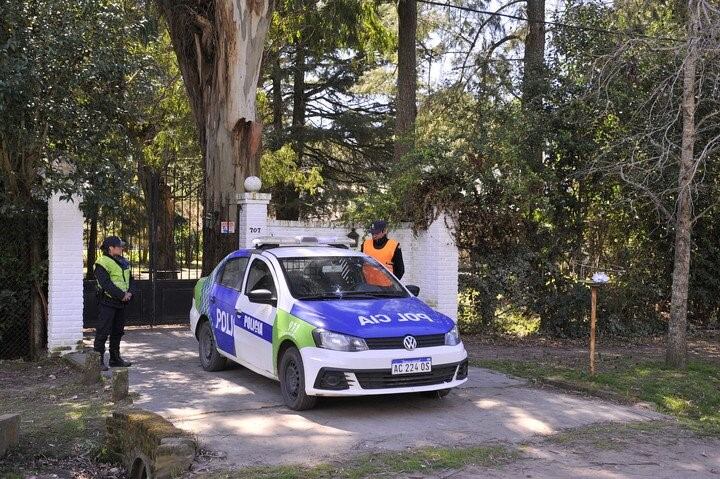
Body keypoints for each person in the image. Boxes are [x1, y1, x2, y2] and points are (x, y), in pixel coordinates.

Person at [94, 236, 133, 370]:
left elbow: (130, 279)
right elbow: (105, 283)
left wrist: (130, 293)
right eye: (119, 246)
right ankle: (97, 361)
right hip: (108, 302)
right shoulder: (102, 262)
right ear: (111, 248)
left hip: (121, 303)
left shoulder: (123, 261)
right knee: (103, 332)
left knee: (118, 332)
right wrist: (122, 295)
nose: (122, 248)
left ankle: (115, 359)